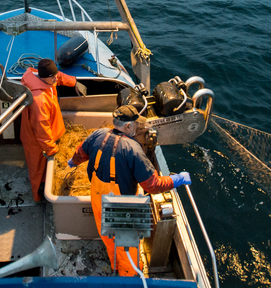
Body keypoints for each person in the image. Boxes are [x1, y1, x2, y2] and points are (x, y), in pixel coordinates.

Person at [67, 104, 191, 276]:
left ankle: (115, 266)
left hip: (97, 196)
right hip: (122, 205)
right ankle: (131, 277)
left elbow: (81, 151)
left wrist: (73, 162)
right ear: (127, 127)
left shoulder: (98, 134)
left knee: (108, 237)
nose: (137, 128)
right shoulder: (133, 150)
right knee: (128, 247)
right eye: (135, 125)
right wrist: (176, 180)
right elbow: (152, 185)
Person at [21, 58, 87, 202]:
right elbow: (41, 129)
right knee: (36, 169)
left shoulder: (45, 78)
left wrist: (74, 82)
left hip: (48, 133)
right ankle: (38, 196)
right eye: (53, 77)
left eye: (55, 75)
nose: (56, 78)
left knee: (44, 165)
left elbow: (59, 77)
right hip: (35, 141)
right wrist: (52, 150)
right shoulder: (39, 100)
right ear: (45, 78)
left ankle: (43, 184)